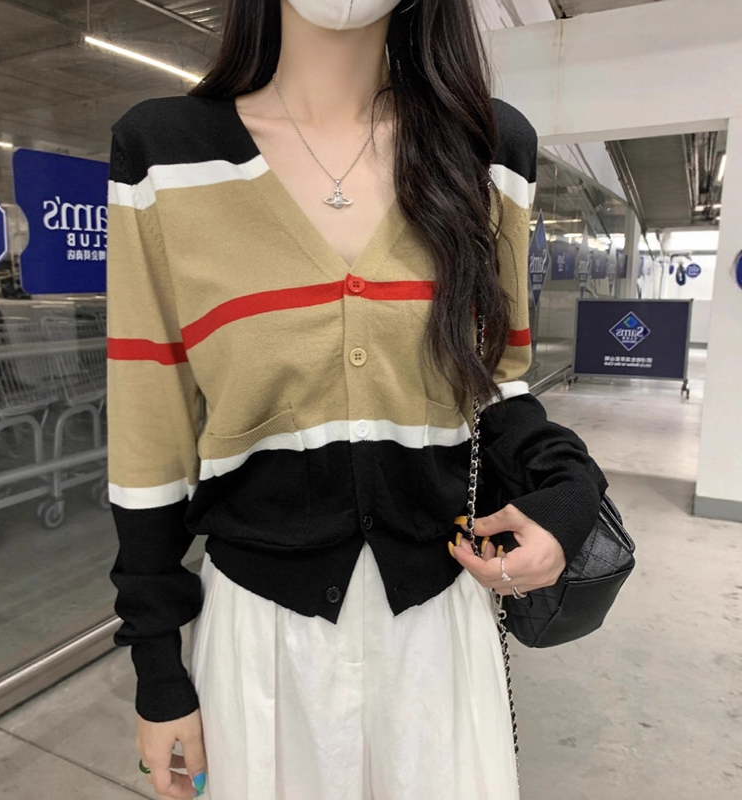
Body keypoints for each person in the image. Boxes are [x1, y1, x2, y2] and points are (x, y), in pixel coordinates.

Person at [105, 1, 608, 798]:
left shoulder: (488, 148)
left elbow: (496, 383)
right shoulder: (164, 155)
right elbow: (149, 434)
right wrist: (158, 668)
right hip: (263, 643)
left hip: (439, 629)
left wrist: (571, 489)